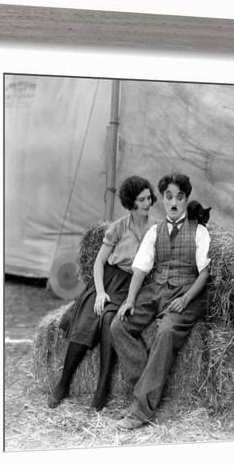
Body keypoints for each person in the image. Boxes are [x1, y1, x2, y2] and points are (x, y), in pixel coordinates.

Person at [48, 175, 159, 411]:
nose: (148, 203)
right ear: (131, 202)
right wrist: (99, 292)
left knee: (110, 319)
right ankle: (64, 382)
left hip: (134, 283)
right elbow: (99, 263)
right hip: (110, 278)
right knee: (89, 317)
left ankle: (103, 387)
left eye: (149, 198)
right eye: (142, 200)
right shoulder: (118, 227)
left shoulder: (156, 229)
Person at [110, 172, 211, 430]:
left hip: (188, 292)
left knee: (165, 332)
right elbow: (141, 269)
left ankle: (140, 411)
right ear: (163, 200)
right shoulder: (154, 232)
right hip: (156, 290)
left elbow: (205, 273)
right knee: (118, 325)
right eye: (168, 197)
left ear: (186, 199)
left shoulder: (199, 232)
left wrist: (186, 299)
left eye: (179, 197)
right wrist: (129, 300)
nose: (174, 202)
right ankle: (147, 386)